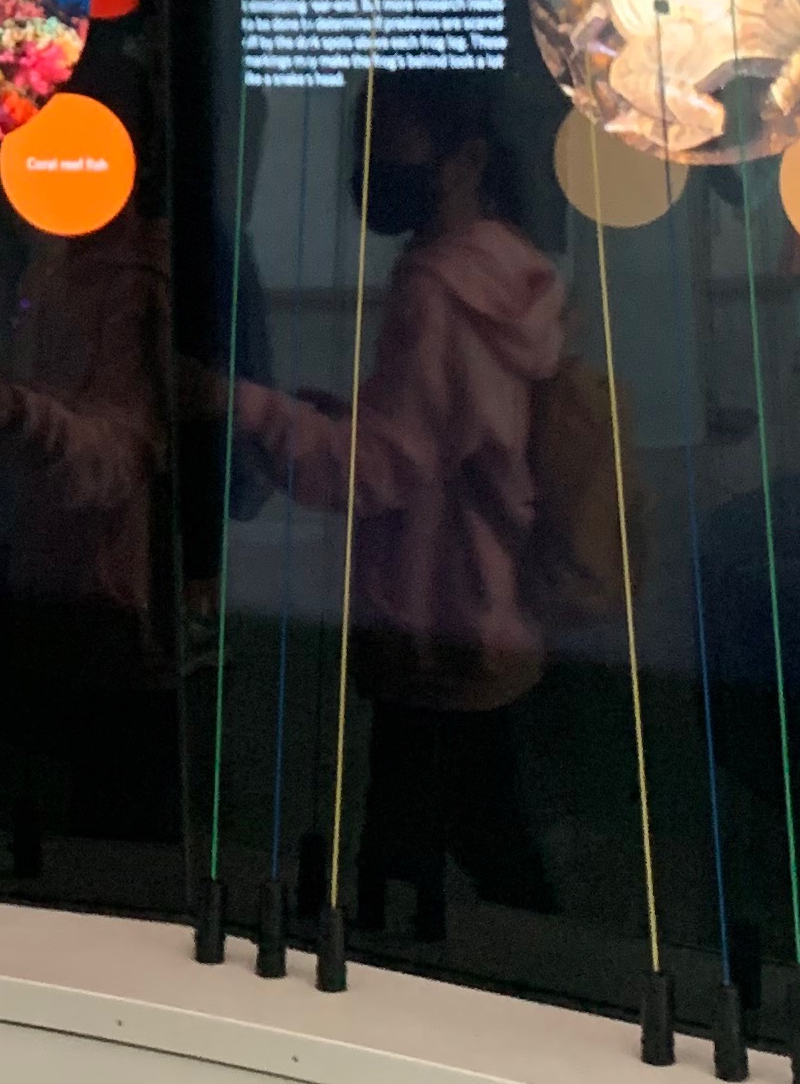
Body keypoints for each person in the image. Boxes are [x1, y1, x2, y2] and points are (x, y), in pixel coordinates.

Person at [231, 71, 564, 942]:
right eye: (366, 144)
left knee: (433, 834)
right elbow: (441, 437)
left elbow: (378, 470)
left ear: (467, 159)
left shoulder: (437, 292)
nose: (373, 165)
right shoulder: (503, 272)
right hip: (483, 603)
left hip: (434, 620)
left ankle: (517, 979)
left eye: (392, 143)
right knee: (460, 822)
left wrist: (247, 408)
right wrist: (335, 416)